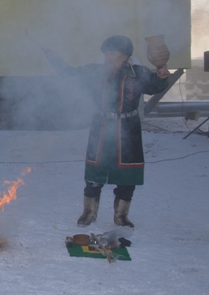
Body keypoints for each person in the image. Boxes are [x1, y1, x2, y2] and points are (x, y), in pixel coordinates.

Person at [44, 35, 170, 228]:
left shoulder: (138, 73)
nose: (108, 56)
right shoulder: (95, 72)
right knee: (95, 174)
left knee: (127, 178)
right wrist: (53, 57)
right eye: (106, 52)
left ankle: (121, 216)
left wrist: (161, 76)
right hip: (101, 127)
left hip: (129, 128)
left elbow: (154, 86)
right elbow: (70, 74)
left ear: (125, 55)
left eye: (113, 52)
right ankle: (89, 212)